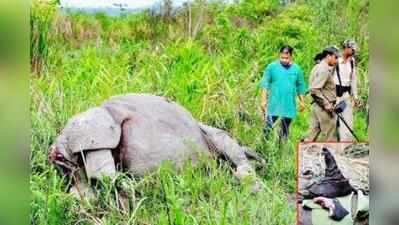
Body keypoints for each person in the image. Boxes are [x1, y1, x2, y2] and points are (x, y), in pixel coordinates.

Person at [260, 45, 306, 141]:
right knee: (268, 127)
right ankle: (263, 147)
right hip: (274, 103)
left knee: (284, 130)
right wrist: (263, 100)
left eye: (286, 58)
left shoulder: (297, 69)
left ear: (291, 56)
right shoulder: (272, 67)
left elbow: (300, 86)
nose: (284, 60)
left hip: (288, 104)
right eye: (282, 57)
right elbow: (265, 84)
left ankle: (281, 151)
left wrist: (302, 101)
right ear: (279, 55)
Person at [305, 46, 340, 141]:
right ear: (328, 56)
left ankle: (303, 154)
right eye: (335, 57)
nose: (336, 60)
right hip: (323, 109)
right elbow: (314, 89)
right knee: (330, 137)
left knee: (311, 135)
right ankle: (328, 155)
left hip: (315, 106)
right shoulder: (324, 70)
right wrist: (326, 104)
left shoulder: (316, 67)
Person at [334, 39, 358, 142]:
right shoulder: (335, 60)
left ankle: (346, 144)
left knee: (348, 121)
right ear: (346, 48)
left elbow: (353, 79)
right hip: (335, 95)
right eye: (352, 49)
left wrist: (355, 96)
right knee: (334, 121)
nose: (354, 51)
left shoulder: (352, 61)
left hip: (346, 95)